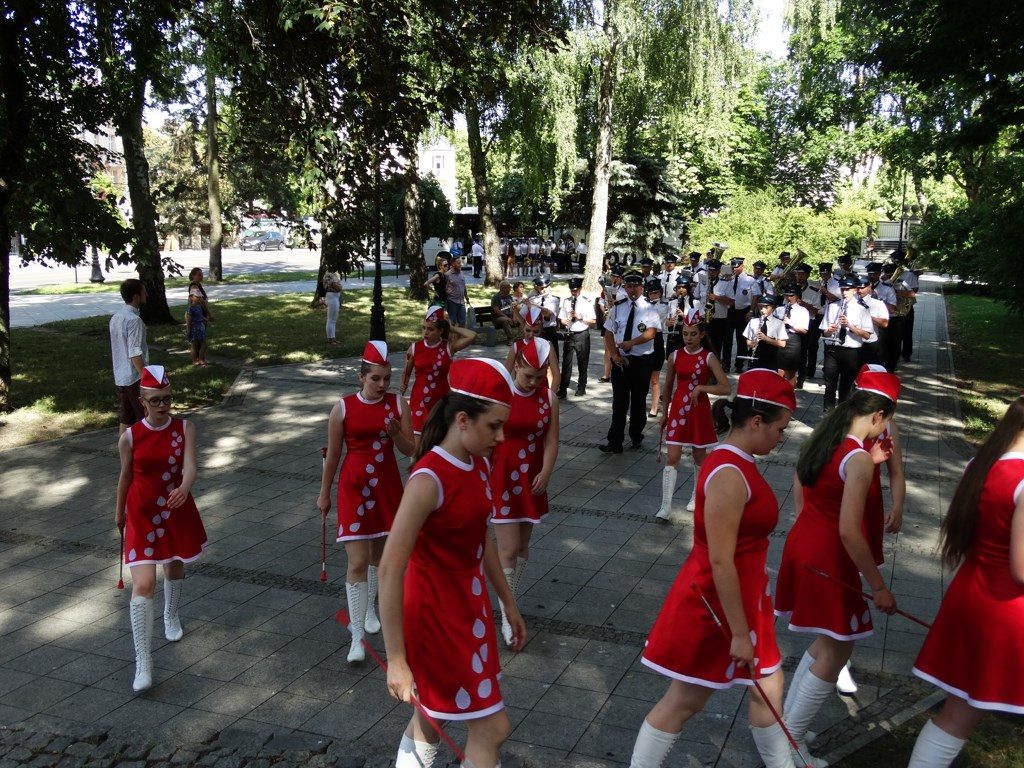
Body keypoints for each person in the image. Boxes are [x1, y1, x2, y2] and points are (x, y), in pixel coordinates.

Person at [629, 370, 796, 768]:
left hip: (743, 598)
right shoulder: (728, 472)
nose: (781, 438)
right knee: (684, 701)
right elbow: (720, 559)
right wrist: (738, 632)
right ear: (756, 422)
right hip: (715, 604)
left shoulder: (737, 463)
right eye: (780, 429)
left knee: (768, 685)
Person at [379, 358, 525, 768]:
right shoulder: (428, 479)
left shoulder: (478, 462)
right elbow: (389, 568)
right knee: (491, 728)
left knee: (431, 718)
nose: (501, 436)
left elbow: (481, 539)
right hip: (436, 615)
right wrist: (396, 659)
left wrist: (508, 603)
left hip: (468, 608)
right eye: (494, 426)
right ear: (462, 420)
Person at [774, 374, 901, 765]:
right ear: (878, 416)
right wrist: (878, 586)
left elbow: (802, 484)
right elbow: (849, 530)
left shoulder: (826, 439)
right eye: (886, 423)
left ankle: (786, 728)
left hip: (803, 544)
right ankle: (791, 744)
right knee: (838, 646)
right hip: (828, 556)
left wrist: (809, 524)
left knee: (828, 642)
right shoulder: (857, 458)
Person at [905, 395, 1024, 767]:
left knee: (957, 714)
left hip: (971, 594)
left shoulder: (981, 463)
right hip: (1008, 612)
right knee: (961, 714)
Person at [317, 341, 415, 663]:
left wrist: (395, 433)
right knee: (357, 560)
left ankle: (370, 609)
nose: (383, 384)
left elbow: (410, 449)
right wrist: (324, 492)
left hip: (386, 487)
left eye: (387, 378)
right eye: (375, 378)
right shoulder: (342, 408)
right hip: (354, 489)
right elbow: (334, 455)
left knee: (379, 556)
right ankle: (357, 636)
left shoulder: (398, 403)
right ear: (361, 376)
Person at [115, 365, 207, 692]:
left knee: (174, 565)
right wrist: (119, 512)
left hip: (174, 508)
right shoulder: (130, 436)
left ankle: (171, 614)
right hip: (141, 514)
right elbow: (125, 476)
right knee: (143, 585)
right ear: (142, 401)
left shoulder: (185, 427)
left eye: (167, 398)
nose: (163, 405)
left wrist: (184, 487)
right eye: (155, 400)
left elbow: (190, 465)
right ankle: (143, 661)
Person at [491, 338, 559, 645]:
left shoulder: (548, 398)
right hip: (502, 476)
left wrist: (546, 471)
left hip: (531, 477)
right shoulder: (501, 393)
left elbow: (551, 440)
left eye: (539, 377)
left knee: (521, 547)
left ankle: (511, 600)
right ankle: (508, 613)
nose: (533, 382)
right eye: (528, 376)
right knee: (507, 548)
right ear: (516, 365)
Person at [655, 309, 730, 520]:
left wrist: (702, 388)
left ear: (702, 334)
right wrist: (664, 412)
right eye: (685, 333)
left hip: (699, 410)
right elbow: (667, 386)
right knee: (672, 457)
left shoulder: (708, 357)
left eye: (693, 334)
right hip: (678, 409)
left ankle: (696, 497)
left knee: (699, 457)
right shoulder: (675, 356)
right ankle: (665, 507)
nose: (688, 338)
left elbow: (726, 387)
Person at [600, 268, 662, 453]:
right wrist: (614, 355)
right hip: (621, 360)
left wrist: (632, 343)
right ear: (625, 287)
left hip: (641, 361)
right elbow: (608, 332)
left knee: (638, 401)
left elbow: (651, 333)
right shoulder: (618, 307)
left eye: (636, 286)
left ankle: (636, 435)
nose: (632, 289)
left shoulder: (650, 307)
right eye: (629, 286)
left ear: (642, 287)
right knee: (619, 402)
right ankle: (615, 442)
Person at [399, 306, 477, 447]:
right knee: (418, 441)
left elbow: (471, 335)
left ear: (441, 330)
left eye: (431, 329)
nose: (425, 332)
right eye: (424, 328)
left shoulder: (448, 347)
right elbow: (407, 371)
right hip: (419, 399)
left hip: (441, 399)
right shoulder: (415, 347)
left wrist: (451, 327)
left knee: (440, 439)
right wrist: (403, 385)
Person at [819, 275, 873, 413]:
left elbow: (867, 335)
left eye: (847, 289)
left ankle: (842, 415)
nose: (844, 292)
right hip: (832, 349)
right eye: (842, 289)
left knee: (846, 386)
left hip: (851, 351)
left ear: (855, 290)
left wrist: (850, 326)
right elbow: (824, 333)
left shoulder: (862, 308)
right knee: (829, 384)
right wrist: (829, 330)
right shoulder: (833, 306)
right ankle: (828, 414)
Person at [110, 278, 149, 434]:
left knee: (126, 419)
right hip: (134, 377)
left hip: (121, 376)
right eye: (144, 292)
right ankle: (145, 447)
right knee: (145, 416)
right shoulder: (134, 320)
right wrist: (145, 376)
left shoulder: (116, 317)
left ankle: (123, 448)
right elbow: (134, 352)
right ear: (136, 297)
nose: (147, 294)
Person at [556, 277, 596, 398]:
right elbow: (561, 317)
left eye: (576, 290)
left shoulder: (586, 302)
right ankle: (563, 389)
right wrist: (564, 321)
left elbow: (593, 321)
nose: (574, 292)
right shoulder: (566, 301)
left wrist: (580, 317)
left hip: (581, 334)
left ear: (580, 288)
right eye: (572, 290)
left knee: (582, 362)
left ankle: (581, 387)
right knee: (566, 363)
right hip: (570, 334)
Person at [725, 257, 761, 373]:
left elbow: (755, 296)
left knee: (741, 339)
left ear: (742, 267)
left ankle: (739, 364)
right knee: (727, 339)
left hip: (743, 311)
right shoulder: (728, 279)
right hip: (729, 311)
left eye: (736, 267)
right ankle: (726, 364)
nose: (734, 269)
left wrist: (751, 311)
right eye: (732, 267)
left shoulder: (750, 280)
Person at [693, 260, 732, 363]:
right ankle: (702, 364)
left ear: (719, 271)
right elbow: (696, 296)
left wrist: (716, 297)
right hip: (704, 317)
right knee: (703, 343)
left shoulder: (726, 283)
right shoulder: (702, 282)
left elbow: (731, 301)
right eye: (709, 270)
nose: (711, 272)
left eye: (714, 270)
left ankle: (715, 366)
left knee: (716, 345)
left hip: (719, 319)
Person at [645, 279, 671, 418]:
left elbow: (667, 320)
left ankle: (654, 407)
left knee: (655, 377)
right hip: (643, 339)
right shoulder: (643, 305)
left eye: (655, 293)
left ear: (660, 293)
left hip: (657, 339)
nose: (652, 295)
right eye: (650, 293)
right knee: (642, 375)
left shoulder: (665, 306)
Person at [742, 295, 787, 372]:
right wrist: (750, 343)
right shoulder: (753, 321)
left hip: (771, 359)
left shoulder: (779, 323)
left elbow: (783, 344)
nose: (762, 310)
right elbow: (748, 339)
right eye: (760, 307)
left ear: (773, 308)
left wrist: (766, 338)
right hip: (755, 358)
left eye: (766, 307)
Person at [776, 285, 810, 387]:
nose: (788, 298)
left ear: (797, 296)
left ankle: (790, 392)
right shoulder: (779, 309)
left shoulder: (802, 310)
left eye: (791, 296)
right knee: (779, 370)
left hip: (793, 339)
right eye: (786, 295)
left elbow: (804, 330)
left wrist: (790, 323)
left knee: (790, 371)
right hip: (780, 338)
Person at [856, 275, 889, 367]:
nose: (859, 290)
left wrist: (866, 316)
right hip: (853, 342)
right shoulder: (850, 301)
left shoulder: (877, 303)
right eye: (857, 288)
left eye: (862, 288)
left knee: (869, 368)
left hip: (869, 342)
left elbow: (884, 323)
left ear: (869, 287)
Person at [187, 268, 212, 360]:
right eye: (199, 275)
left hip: (201, 314)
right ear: (193, 276)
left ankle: (199, 359)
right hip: (198, 315)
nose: (201, 276)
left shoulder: (198, 285)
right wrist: (209, 314)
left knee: (200, 341)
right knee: (198, 341)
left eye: (202, 274)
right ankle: (197, 359)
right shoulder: (194, 287)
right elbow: (201, 301)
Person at [446, 256, 470, 327]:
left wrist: (467, 298)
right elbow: (444, 289)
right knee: (452, 323)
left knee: (462, 322)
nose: (461, 264)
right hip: (452, 302)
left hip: (462, 302)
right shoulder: (447, 275)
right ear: (453, 264)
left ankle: (461, 334)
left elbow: (464, 286)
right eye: (458, 263)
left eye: (460, 263)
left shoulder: (461, 273)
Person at [490, 280, 516, 346]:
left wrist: (514, 317)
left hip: (510, 317)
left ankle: (520, 337)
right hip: (498, 318)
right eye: (508, 287)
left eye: (509, 287)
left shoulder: (510, 297)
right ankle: (511, 339)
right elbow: (497, 311)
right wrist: (507, 318)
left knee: (522, 319)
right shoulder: (496, 297)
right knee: (505, 320)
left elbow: (513, 308)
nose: (510, 289)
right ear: (502, 288)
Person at [185, 291, 208, 366]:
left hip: (201, 327)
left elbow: (200, 316)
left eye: (200, 297)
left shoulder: (199, 306)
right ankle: (195, 360)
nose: (199, 298)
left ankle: (201, 359)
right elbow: (188, 320)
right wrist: (188, 330)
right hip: (194, 328)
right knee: (194, 345)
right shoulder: (190, 308)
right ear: (191, 297)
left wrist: (205, 319)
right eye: (197, 297)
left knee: (204, 345)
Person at [323, 268, 343, 345]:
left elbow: (338, 286)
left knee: (333, 320)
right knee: (331, 319)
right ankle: (330, 339)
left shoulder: (333, 273)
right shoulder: (329, 274)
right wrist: (340, 286)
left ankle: (333, 338)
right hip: (332, 296)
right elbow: (338, 287)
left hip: (334, 296)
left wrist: (339, 286)